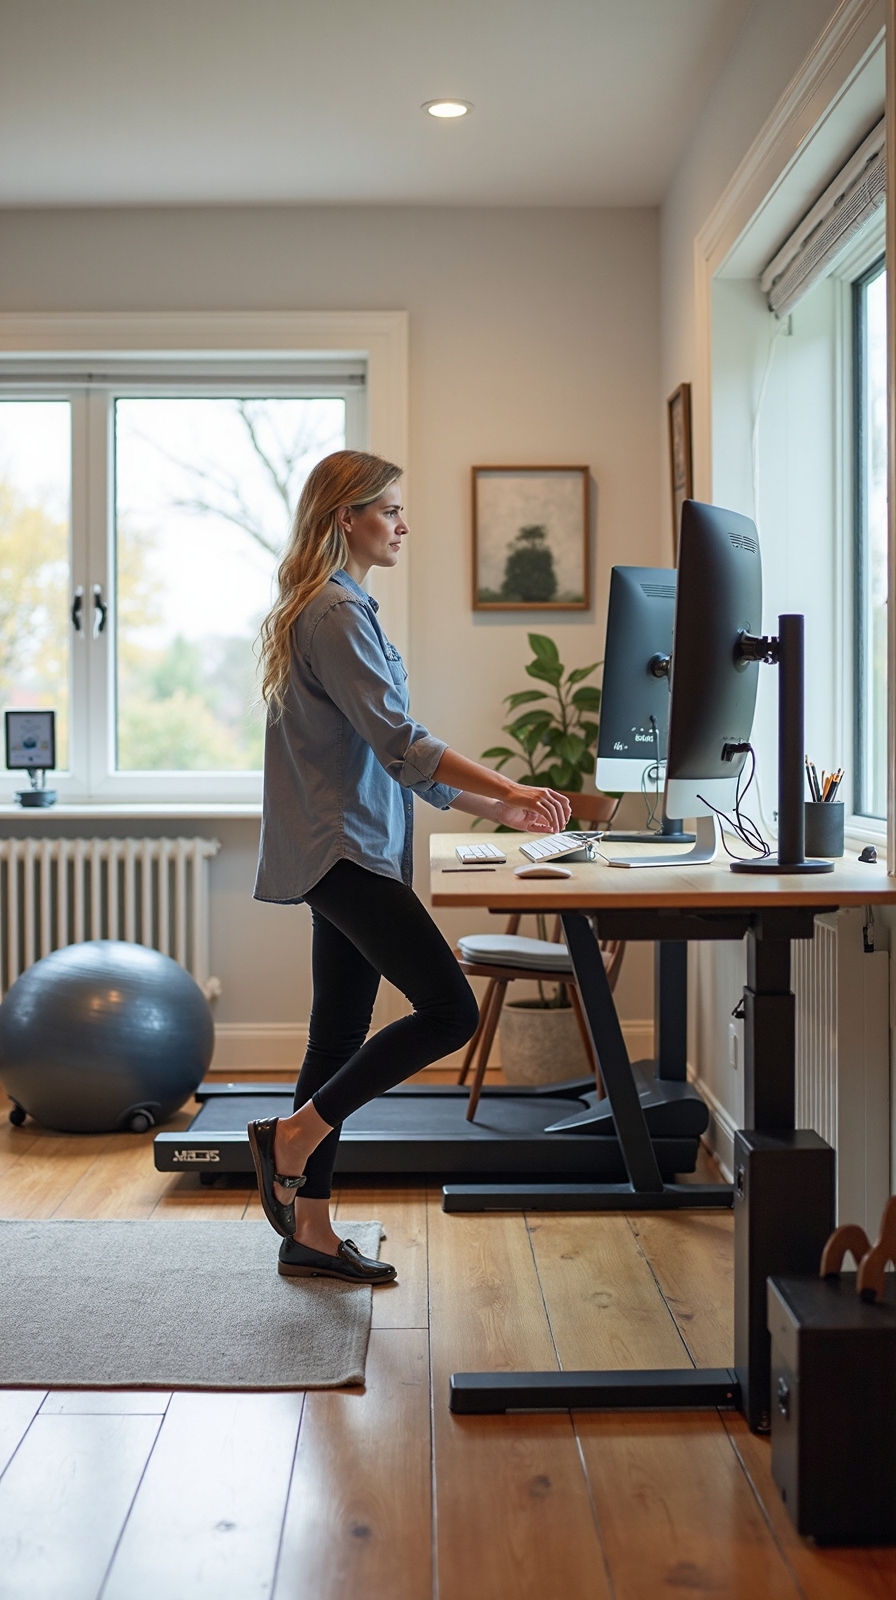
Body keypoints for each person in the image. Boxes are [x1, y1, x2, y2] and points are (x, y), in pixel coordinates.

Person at [249, 450, 572, 1283]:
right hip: (343, 852)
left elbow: (391, 758)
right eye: (388, 509)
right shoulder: (336, 615)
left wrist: (496, 810)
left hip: (350, 847)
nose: (402, 524)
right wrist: (508, 782)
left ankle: (309, 1229)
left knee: (337, 1035)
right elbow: (404, 742)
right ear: (345, 517)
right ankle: (290, 1137)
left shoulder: (339, 608)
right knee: (449, 1010)